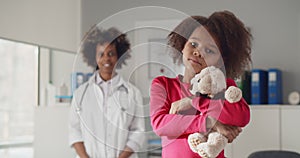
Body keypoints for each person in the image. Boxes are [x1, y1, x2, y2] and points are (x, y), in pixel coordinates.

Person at [150, 10, 252, 158]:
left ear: (221, 59)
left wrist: (194, 102)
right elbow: (161, 124)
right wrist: (211, 122)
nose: (198, 52)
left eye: (209, 50)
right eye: (193, 44)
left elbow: (241, 117)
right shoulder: (163, 85)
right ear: (182, 44)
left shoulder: (224, 86)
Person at [69, 27, 146, 158]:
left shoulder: (133, 93)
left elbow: (138, 132)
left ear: (119, 56)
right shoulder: (80, 93)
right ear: (94, 57)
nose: (106, 59)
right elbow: (74, 130)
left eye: (111, 53)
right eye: (101, 54)